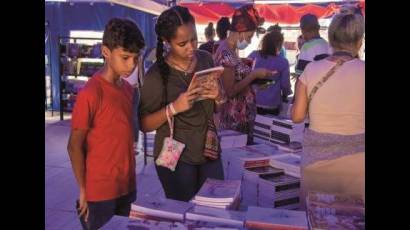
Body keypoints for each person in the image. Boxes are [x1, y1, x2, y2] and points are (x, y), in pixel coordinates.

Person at [139, 6, 225, 202]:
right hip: (176, 156)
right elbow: (144, 124)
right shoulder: (156, 76)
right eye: (182, 43)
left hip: (209, 150)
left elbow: (218, 106)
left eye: (194, 39)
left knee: (214, 208)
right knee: (183, 214)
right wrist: (173, 108)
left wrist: (219, 96)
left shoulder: (205, 59)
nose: (191, 47)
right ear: (167, 42)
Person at [67, 18, 145, 229]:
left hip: (127, 187)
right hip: (99, 193)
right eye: (126, 57)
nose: (131, 65)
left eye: (135, 58)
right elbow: (74, 145)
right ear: (105, 52)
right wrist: (83, 189)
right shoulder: (92, 93)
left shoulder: (128, 90)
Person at [291, 11, 365, 209]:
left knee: (317, 219)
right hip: (357, 164)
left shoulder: (310, 70)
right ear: (359, 41)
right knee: (352, 220)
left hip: (317, 163)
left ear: (331, 39)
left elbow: (297, 117)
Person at [214, 4, 276, 144]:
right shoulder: (226, 53)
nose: (249, 41)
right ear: (240, 31)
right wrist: (253, 75)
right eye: (249, 36)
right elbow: (230, 91)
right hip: (234, 123)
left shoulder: (231, 51)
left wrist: (255, 84)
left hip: (241, 120)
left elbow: (239, 82)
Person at [248, 30, 292, 116]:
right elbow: (285, 85)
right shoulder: (283, 62)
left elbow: (243, 72)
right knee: (268, 128)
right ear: (279, 44)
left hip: (252, 101)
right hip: (272, 105)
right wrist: (287, 94)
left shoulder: (254, 55)